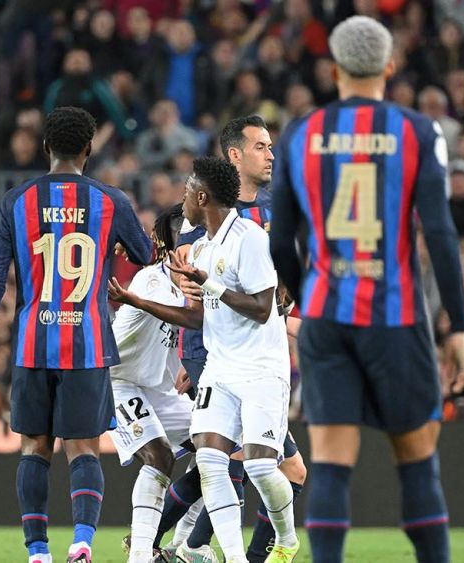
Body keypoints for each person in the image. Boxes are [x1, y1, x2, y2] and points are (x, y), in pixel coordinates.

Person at [268, 17, 464, 563]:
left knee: (332, 462)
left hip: (326, 317)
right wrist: (458, 326)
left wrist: (305, 292)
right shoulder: (417, 131)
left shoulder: (299, 134)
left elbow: (280, 244)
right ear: (390, 66)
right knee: (417, 459)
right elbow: (441, 235)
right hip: (395, 317)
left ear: (333, 69)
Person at [0, 106, 154, 563]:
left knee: (34, 448)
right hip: (88, 344)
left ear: (46, 147)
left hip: (33, 344)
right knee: (83, 449)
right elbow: (146, 254)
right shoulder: (111, 201)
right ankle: (83, 542)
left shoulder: (17, 201)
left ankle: (38, 553)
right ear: (89, 149)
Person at [109, 156, 301, 563]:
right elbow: (198, 316)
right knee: (211, 462)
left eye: (186, 193)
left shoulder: (248, 237)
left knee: (262, 469)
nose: (183, 201)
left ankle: (286, 537)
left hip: (261, 370)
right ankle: (229, 557)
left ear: (201, 196)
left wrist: (206, 281)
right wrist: (135, 301)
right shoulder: (202, 248)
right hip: (219, 369)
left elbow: (263, 308)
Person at [156, 115, 307, 562]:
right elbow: (190, 290)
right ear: (234, 155)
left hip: (254, 347)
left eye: (271, 146)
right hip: (215, 350)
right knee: (243, 460)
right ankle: (196, 548)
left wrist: (290, 298)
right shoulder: (197, 224)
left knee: (231, 459)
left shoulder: (277, 212)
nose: (271, 155)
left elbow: (285, 284)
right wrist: (192, 354)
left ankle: (180, 545)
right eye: (261, 147)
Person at [106, 204, 194, 563]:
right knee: (158, 455)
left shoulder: (194, 283)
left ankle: (183, 545)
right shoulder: (151, 281)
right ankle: (140, 553)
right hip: (119, 380)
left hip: (160, 389)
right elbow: (188, 315)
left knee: (218, 447)